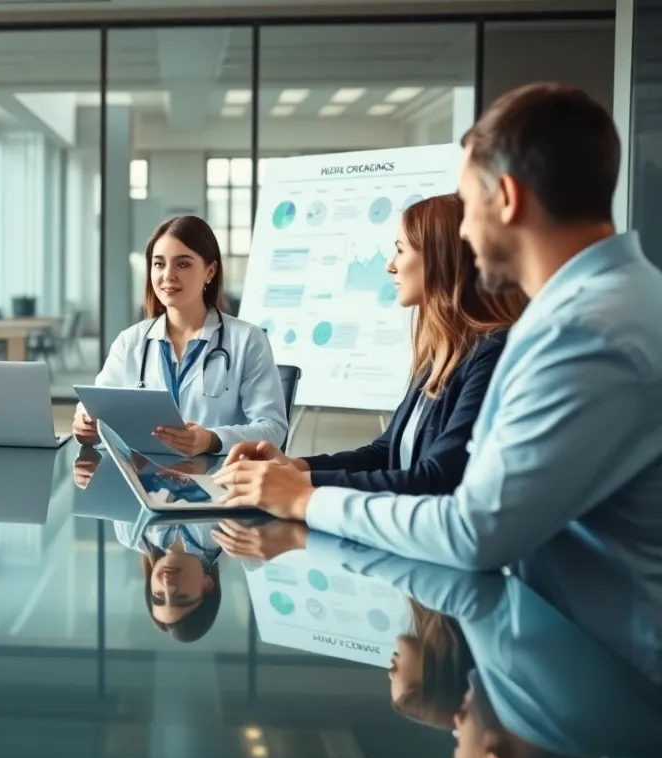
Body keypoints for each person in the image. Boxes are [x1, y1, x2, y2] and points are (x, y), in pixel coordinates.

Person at [212, 84, 662, 681]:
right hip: (582, 658)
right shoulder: (614, 307)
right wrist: (300, 474)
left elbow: (470, 526)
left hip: (607, 676)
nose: (467, 236)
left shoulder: (584, 335)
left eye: (469, 205)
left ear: (505, 197)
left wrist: (304, 497)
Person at [223, 194, 526, 494]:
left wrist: (299, 485)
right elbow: (384, 454)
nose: (390, 266)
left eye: (400, 251)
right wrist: (295, 467)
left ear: (438, 259)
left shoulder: (491, 352)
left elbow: (435, 478)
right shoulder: (438, 353)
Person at [72, 215, 288, 456]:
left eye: (182, 264)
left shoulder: (247, 340)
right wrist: (85, 426)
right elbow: (96, 406)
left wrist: (212, 439)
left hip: (219, 479)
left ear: (210, 271)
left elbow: (273, 428)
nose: (168, 275)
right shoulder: (130, 341)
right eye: (159, 264)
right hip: (143, 478)